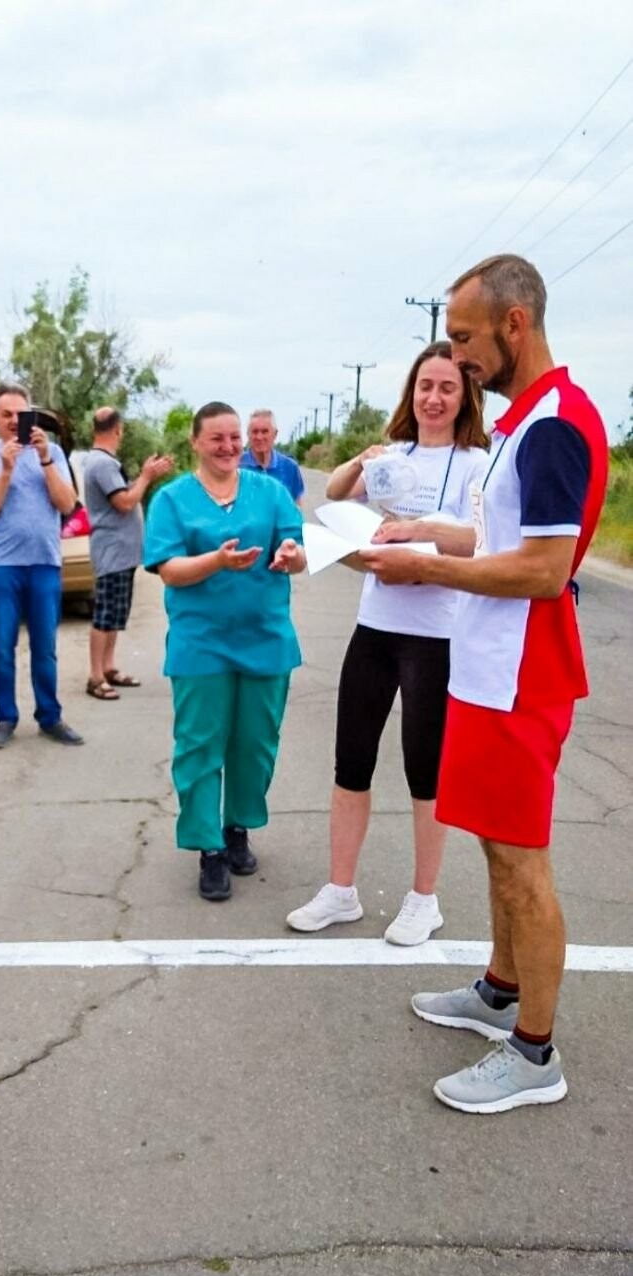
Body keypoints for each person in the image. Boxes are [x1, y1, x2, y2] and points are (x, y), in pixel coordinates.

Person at [361, 255, 608, 1114]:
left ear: (514, 325)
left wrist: (425, 567)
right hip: (490, 666)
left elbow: (542, 571)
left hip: (521, 672)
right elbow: (492, 540)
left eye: (464, 338)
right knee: (494, 846)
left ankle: (534, 1053)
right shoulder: (526, 419)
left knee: (518, 863)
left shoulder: (550, 426)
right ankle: (499, 991)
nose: (457, 357)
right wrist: (420, 544)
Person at [286, 342, 488, 946]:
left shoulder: (477, 463)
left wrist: (419, 533)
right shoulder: (391, 456)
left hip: (436, 635)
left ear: (464, 398)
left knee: (427, 773)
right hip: (375, 629)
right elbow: (337, 499)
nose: (433, 397)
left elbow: (479, 540)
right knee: (352, 762)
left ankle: (424, 899)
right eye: (424, 385)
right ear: (411, 392)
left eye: (447, 388)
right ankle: (340, 891)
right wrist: (362, 457)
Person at [143, 401, 306, 901]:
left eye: (235, 437)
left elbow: (297, 551)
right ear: (195, 442)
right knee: (199, 744)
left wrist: (288, 556)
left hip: (265, 636)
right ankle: (206, 847)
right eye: (217, 438)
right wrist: (217, 560)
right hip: (202, 642)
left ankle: (239, 827)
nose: (230, 446)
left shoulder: (271, 491)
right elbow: (169, 569)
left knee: (255, 743)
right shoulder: (171, 500)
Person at [0, 383, 83, 748]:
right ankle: (5, 717)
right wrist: (5, 470)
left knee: (45, 645)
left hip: (45, 562)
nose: (15, 421)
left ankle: (50, 716)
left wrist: (46, 459)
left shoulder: (54, 454)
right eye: (7, 415)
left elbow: (67, 505)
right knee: (2, 645)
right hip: (2, 564)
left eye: (22, 414)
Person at [83, 406, 173, 700]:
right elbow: (124, 503)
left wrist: (147, 476)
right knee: (105, 614)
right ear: (118, 428)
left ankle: (108, 667)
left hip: (121, 552)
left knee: (116, 614)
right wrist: (146, 478)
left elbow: (123, 494)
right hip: (111, 551)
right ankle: (95, 676)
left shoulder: (102, 462)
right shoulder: (103, 464)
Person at [239, 410, 305, 502]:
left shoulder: (290, 467)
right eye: (254, 431)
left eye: (265, 431)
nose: (259, 437)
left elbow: (297, 506)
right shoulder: (236, 466)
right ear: (248, 434)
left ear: (275, 434)